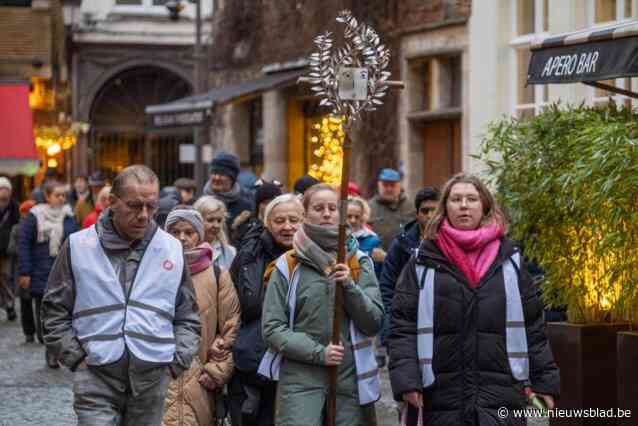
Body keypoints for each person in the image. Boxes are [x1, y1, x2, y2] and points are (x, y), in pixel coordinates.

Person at [387, 173, 559, 425]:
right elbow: (402, 326)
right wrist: (407, 380)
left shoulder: (510, 261)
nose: (464, 205)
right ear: (445, 207)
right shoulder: (422, 262)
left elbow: (533, 326)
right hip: (440, 394)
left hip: (502, 391)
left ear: (485, 206)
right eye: (456, 199)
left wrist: (545, 382)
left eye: (471, 199)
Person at [41, 165, 201, 426]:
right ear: (112, 202)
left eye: (152, 206)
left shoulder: (171, 248)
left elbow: (188, 315)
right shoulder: (79, 245)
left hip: (152, 376)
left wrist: (176, 361)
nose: (144, 215)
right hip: (95, 373)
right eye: (135, 206)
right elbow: (54, 310)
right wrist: (76, 358)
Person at [261, 184, 384, 426]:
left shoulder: (359, 262)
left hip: (350, 382)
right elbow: (273, 328)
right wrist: (320, 353)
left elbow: (374, 322)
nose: (327, 213)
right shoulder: (287, 265)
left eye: (332, 208)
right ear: (305, 214)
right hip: (300, 380)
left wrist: (349, 286)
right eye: (319, 208)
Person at [228, 193, 304, 426]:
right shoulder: (248, 256)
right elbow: (232, 306)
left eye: (294, 219)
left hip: (301, 361)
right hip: (254, 362)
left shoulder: (317, 256)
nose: (287, 226)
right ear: (266, 223)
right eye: (279, 221)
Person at [163, 205, 240, 426]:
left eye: (189, 232)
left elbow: (231, 324)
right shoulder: (153, 270)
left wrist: (218, 370)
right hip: (160, 375)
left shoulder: (217, 275)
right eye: (175, 232)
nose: (182, 238)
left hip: (201, 377)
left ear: (199, 234)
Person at [18, 180, 78, 367]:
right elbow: (24, 244)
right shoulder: (35, 216)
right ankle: (48, 347)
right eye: (57, 195)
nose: (61, 198)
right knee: (43, 313)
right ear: (47, 196)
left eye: (63, 195)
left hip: (64, 272)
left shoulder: (69, 216)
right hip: (39, 271)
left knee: (62, 313)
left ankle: (53, 351)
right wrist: (25, 271)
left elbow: (76, 243)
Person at [379, 187, 439, 343]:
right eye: (425, 211)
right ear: (417, 214)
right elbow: (387, 286)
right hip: (407, 325)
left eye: (435, 210)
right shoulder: (401, 244)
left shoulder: (452, 242)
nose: (430, 216)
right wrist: (391, 326)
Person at [201, 152, 253, 237]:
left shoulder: (246, 205)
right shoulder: (200, 203)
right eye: (214, 173)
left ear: (232, 178)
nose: (217, 178)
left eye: (222, 174)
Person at [368, 168, 415, 250]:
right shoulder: (369, 207)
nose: (389, 189)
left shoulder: (411, 207)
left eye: (393, 185)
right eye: (385, 185)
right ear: (379, 185)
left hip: (404, 258)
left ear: (399, 186)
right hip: (376, 259)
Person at [231, 180, 283, 247]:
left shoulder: (287, 226)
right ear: (258, 205)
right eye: (265, 202)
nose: (270, 206)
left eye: (273, 202)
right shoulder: (245, 226)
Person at [193, 196, 237, 271]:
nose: (216, 225)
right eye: (210, 220)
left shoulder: (230, 252)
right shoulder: (187, 249)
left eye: (219, 220)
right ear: (197, 220)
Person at [347, 196, 384, 276]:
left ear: (363, 217)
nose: (353, 220)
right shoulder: (335, 238)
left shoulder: (373, 240)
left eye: (357, 217)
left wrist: (384, 259)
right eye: (349, 216)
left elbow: (378, 271)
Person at [0, 177, 19, 321]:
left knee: (6, 277)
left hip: (8, 249)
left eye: (5, 188)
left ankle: (10, 304)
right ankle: (7, 304)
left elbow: (18, 227)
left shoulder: (14, 207)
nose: (3, 191)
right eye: (1, 188)